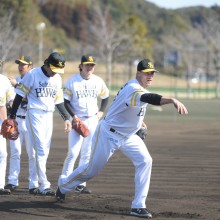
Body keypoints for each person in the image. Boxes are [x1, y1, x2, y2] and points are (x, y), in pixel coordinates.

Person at [56, 58, 188, 218]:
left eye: (152, 73)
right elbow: (150, 98)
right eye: (147, 73)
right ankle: (63, 185)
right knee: (91, 170)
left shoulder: (136, 87)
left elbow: (128, 108)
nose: (150, 76)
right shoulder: (133, 88)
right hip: (108, 134)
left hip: (127, 136)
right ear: (139, 73)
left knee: (145, 161)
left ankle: (138, 205)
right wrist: (171, 100)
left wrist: (140, 123)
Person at [9, 52, 72, 196]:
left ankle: (33, 183)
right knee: (41, 149)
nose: (55, 72)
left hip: (48, 115)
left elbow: (59, 101)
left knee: (44, 151)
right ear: (47, 63)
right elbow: (19, 94)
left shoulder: (57, 78)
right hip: (35, 113)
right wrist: (12, 116)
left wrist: (66, 118)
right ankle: (45, 185)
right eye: (54, 68)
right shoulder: (33, 74)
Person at [61, 54, 109, 194]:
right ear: (81, 66)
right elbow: (66, 101)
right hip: (77, 120)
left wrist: (101, 111)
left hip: (92, 119)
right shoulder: (72, 81)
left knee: (87, 154)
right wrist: (73, 116)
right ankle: (64, 181)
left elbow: (105, 97)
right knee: (73, 152)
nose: (89, 67)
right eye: (87, 64)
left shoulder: (98, 81)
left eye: (92, 65)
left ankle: (80, 183)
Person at [5, 55, 39, 194]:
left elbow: (28, 97)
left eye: (23, 65)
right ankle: (12, 181)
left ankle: (33, 183)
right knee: (15, 152)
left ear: (30, 67)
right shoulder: (15, 81)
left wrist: (17, 86)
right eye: (19, 64)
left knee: (33, 153)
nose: (20, 67)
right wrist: (10, 103)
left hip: (30, 120)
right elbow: (9, 99)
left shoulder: (33, 81)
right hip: (16, 120)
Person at [0, 74, 15, 195]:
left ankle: (0, 185)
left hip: (0, 123)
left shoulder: (4, 80)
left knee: (3, 154)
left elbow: (10, 100)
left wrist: (7, 123)